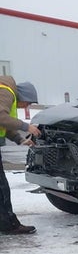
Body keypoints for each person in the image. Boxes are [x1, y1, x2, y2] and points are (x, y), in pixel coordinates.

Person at [0, 76, 42, 234]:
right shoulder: (6, 92)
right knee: (1, 188)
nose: (28, 106)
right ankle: (9, 225)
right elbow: (1, 117)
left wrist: (19, 139)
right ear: (24, 97)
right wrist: (26, 127)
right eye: (30, 103)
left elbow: (3, 124)